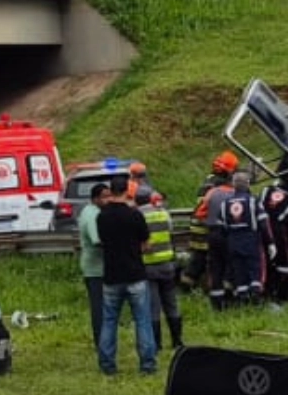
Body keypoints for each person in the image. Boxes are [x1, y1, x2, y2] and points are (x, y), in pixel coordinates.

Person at [95, 185, 158, 376]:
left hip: (111, 275)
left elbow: (102, 242)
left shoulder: (102, 217)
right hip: (135, 275)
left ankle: (107, 364)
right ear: (127, 192)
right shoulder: (135, 215)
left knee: (109, 321)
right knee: (142, 320)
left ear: (111, 192)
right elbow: (146, 244)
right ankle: (147, 364)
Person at [208, 169, 270, 307]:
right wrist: (270, 242)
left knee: (239, 271)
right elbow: (263, 224)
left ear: (234, 185)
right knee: (255, 269)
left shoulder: (225, 204)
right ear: (247, 184)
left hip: (233, 241)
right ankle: (255, 299)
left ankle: (242, 299)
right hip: (251, 241)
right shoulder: (253, 201)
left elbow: (221, 227)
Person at [185, 151, 238, 293]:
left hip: (198, 225)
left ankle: (188, 285)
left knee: (199, 257)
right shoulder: (219, 185)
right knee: (207, 259)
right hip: (207, 227)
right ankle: (209, 287)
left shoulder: (209, 180)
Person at [140, 192, 185, 352]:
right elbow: (170, 232)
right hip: (167, 264)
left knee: (154, 306)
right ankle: (177, 341)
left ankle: (157, 343)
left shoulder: (138, 215)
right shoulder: (163, 213)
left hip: (148, 265)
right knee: (171, 304)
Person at [77, 180, 112, 347]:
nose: (108, 200)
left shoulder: (90, 210)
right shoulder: (93, 215)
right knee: (99, 307)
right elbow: (97, 240)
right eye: (104, 197)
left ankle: (103, 340)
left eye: (110, 196)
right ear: (95, 198)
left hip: (95, 266)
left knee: (101, 305)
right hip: (96, 268)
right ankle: (102, 341)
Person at [261, 173, 288, 303]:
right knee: (284, 265)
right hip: (281, 235)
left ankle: (267, 294)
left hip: (263, 232)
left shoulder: (266, 191)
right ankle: (281, 297)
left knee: (266, 263)